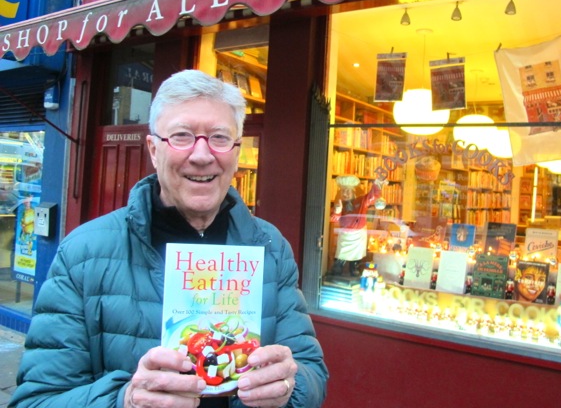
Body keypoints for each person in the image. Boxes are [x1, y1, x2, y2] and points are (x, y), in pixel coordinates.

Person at [10, 70, 328, 408]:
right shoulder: (83, 253)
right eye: (181, 136)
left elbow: (312, 373)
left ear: (237, 152)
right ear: (153, 149)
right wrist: (125, 401)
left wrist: (290, 386)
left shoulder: (270, 248)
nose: (202, 155)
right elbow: (35, 400)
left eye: (220, 138)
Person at [328, 175, 383, 277]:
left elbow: (372, 197)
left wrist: (377, 183)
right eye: (343, 191)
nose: (345, 194)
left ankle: (354, 268)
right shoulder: (340, 204)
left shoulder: (361, 201)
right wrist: (337, 211)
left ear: (353, 192)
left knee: (357, 255)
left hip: (358, 235)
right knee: (341, 254)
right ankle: (337, 268)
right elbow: (332, 219)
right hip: (345, 235)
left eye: (347, 191)